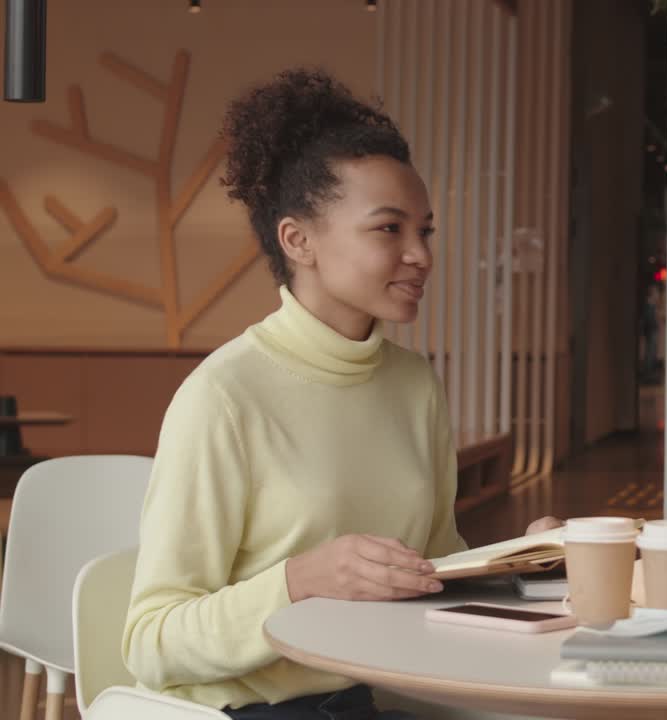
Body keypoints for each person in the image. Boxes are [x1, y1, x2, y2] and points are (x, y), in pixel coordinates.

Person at [122, 69, 558, 719]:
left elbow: (434, 568)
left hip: (381, 695)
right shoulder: (223, 396)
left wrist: (523, 568)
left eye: (426, 231)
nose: (420, 255)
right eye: (389, 229)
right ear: (298, 240)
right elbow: (151, 642)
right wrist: (299, 582)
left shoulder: (414, 384)